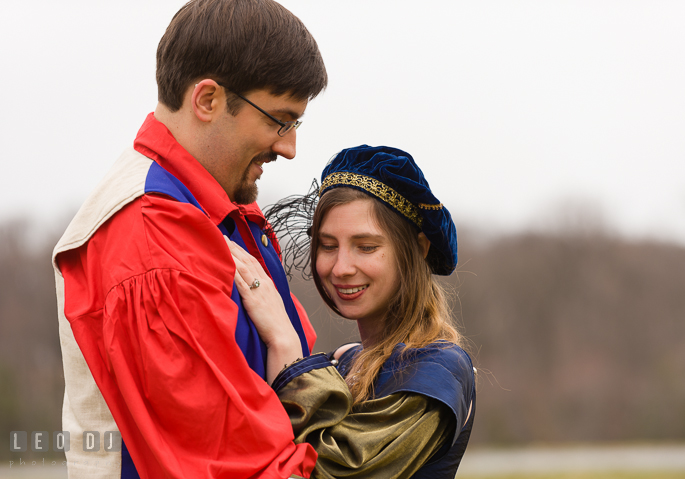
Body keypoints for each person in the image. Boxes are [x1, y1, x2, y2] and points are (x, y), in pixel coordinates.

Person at [51, 1, 327, 477]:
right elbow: (236, 465)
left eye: (295, 124)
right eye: (279, 121)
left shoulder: (220, 205)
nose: (289, 146)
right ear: (207, 100)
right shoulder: (154, 238)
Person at [226, 145, 476, 478]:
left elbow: (331, 470)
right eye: (328, 246)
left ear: (417, 248)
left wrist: (285, 345)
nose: (341, 267)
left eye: (366, 247)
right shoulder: (344, 361)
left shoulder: (438, 368)